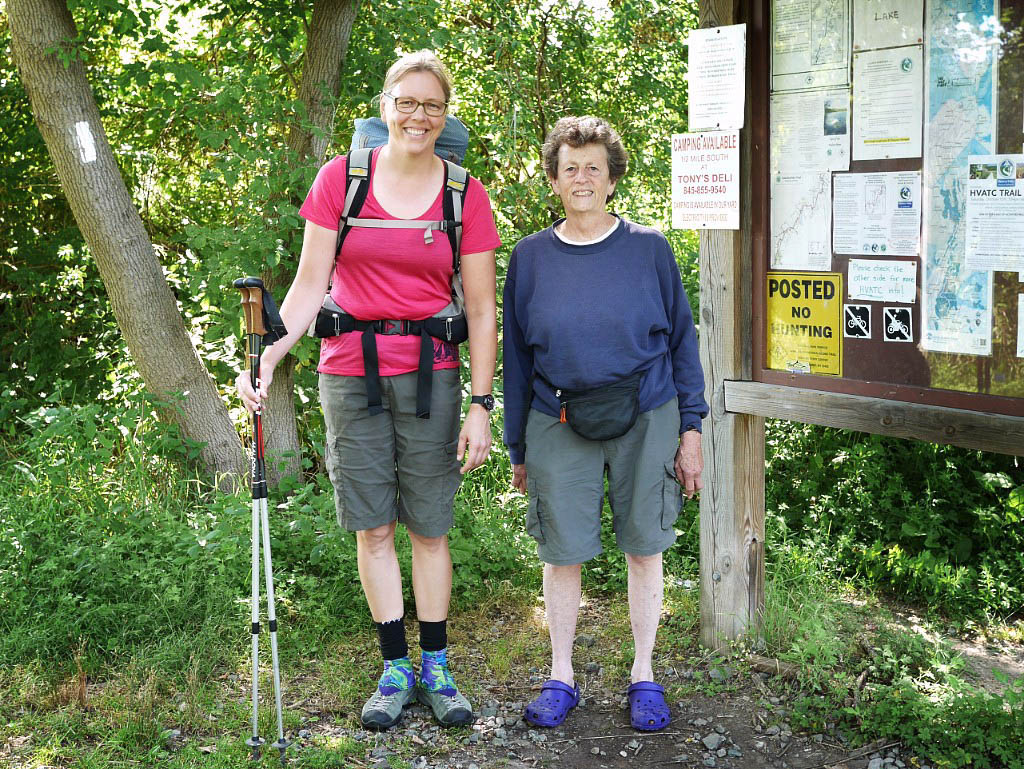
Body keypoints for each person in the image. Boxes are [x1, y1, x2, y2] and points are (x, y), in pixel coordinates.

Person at [237, 50, 500, 730]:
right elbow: (307, 286)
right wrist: (266, 356)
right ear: (385, 106)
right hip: (349, 369)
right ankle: (394, 665)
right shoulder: (341, 180)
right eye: (407, 102)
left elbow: (479, 309)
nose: (418, 115)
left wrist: (480, 403)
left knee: (430, 524)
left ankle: (436, 664)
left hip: (433, 376)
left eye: (432, 105)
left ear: (445, 116)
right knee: (374, 523)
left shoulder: (463, 193)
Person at [502, 116, 708, 732]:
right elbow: (516, 356)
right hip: (555, 416)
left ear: (612, 178)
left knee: (644, 547)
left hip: (647, 413)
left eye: (594, 166)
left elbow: (682, 342)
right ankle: (560, 674)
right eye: (571, 168)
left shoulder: (649, 248)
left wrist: (690, 430)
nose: (583, 178)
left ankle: (644, 673)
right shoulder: (530, 257)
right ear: (554, 180)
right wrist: (519, 445)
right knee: (561, 551)